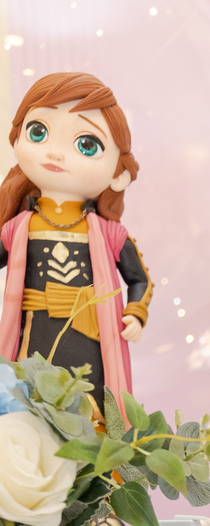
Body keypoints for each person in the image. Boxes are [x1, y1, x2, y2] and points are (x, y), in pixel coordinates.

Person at [0, 71, 152, 423]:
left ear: (119, 175)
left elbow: (139, 279)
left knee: (89, 404)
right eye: (39, 132)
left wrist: (135, 313)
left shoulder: (110, 234)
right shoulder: (19, 227)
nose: (55, 153)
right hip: (34, 333)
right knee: (30, 399)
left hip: (90, 335)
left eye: (86, 145)